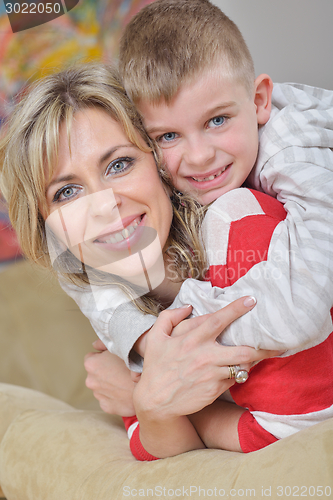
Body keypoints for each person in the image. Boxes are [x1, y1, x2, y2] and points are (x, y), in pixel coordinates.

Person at [0, 63, 282, 458]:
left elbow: (295, 420)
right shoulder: (118, 315)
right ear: (49, 226)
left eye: (119, 164)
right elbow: (172, 464)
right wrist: (152, 402)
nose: (103, 205)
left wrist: (141, 392)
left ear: (159, 162)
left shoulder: (246, 229)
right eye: (67, 192)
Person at [82, 0, 333, 423]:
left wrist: (170, 347)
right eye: (168, 135)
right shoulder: (161, 179)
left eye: (217, 121)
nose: (199, 157)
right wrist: (141, 340)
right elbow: (83, 272)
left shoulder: (295, 152)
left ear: (258, 101)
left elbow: (302, 307)